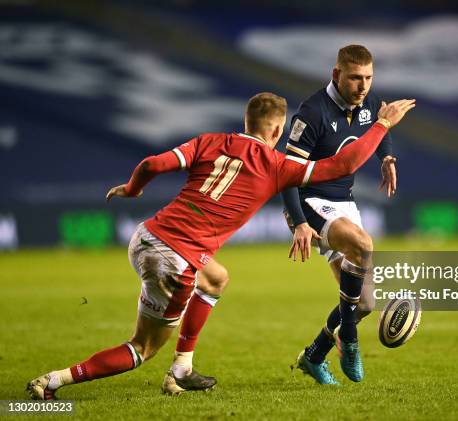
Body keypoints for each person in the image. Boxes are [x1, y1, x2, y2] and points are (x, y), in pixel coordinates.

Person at [27, 92, 416, 400]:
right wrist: (381, 124)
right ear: (277, 131)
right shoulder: (277, 165)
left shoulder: (210, 141)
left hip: (146, 235)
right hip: (174, 259)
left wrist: (132, 189)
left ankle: (182, 369)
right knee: (142, 348)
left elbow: (151, 164)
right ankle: (54, 380)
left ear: (246, 122)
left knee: (215, 278)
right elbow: (343, 165)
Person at [282, 45, 404, 385]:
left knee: (363, 303)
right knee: (364, 245)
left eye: (368, 78)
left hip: (344, 203)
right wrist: (299, 222)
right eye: (355, 78)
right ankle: (349, 340)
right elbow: (287, 174)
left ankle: (314, 355)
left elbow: (379, 129)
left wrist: (387, 159)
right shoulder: (313, 112)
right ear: (336, 75)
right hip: (310, 201)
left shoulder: (366, 101)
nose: (362, 86)